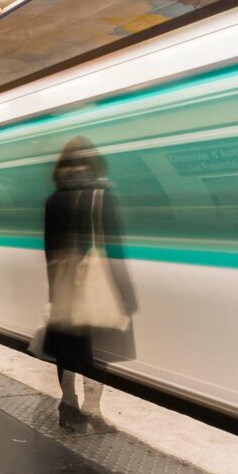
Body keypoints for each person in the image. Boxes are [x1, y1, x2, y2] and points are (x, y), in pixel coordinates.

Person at [43, 137, 137, 431]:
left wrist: (53, 293)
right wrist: (125, 294)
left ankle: (68, 405)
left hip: (65, 286)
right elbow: (114, 250)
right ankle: (92, 410)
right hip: (99, 287)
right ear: (96, 163)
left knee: (67, 350)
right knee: (99, 350)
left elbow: (50, 252)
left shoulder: (54, 199)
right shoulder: (103, 197)